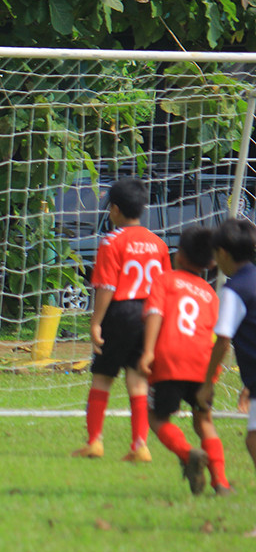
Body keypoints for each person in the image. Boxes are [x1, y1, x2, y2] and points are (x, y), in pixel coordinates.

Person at [73, 178, 170, 461]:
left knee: (102, 378)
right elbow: (164, 287)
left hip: (121, 313)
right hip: (149, 314)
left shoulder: (111, 241)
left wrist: (95, 323)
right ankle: (140, 445)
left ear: (114, 209)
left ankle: (94, 442)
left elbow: (107, 287)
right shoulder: (158, 243)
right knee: (138, 381)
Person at [137, 226, 232, 495]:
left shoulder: (165, 280)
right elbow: (217, 335)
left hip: (169, 358)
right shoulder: (211, 295)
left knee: (156, 416)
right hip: (202, 363)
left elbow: (155, 313)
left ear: (178, 254)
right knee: (204, 421)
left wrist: (147, 352)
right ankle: (221, 482)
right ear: (211, 263)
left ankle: (187, 452)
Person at [197, 219, 256, 479]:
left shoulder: (234, 291)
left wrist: (208, 381)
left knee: (252, 440)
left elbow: (222, 340)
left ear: (221, 253)